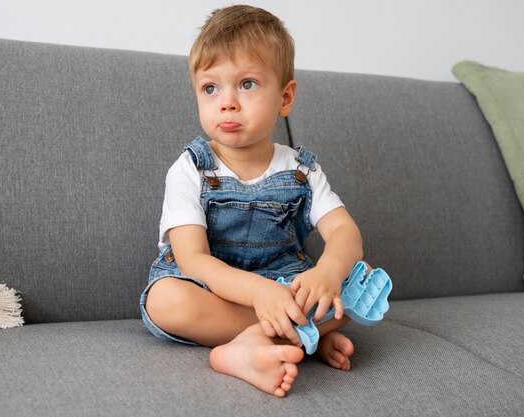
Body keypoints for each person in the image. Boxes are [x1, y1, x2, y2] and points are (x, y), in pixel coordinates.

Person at [139, 5, 365, 397]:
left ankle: (262, 342)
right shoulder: (190, 169)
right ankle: (296, 334)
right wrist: (261, 296)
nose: (226, 102)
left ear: (285, 97)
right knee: (165, 301)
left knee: (351, 293)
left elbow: (344, 230)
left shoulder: (301, 170)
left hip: (282, 283)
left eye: (247, 84)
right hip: (212, 290)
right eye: (211, 88)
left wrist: (327, 272)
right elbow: (193, 259)